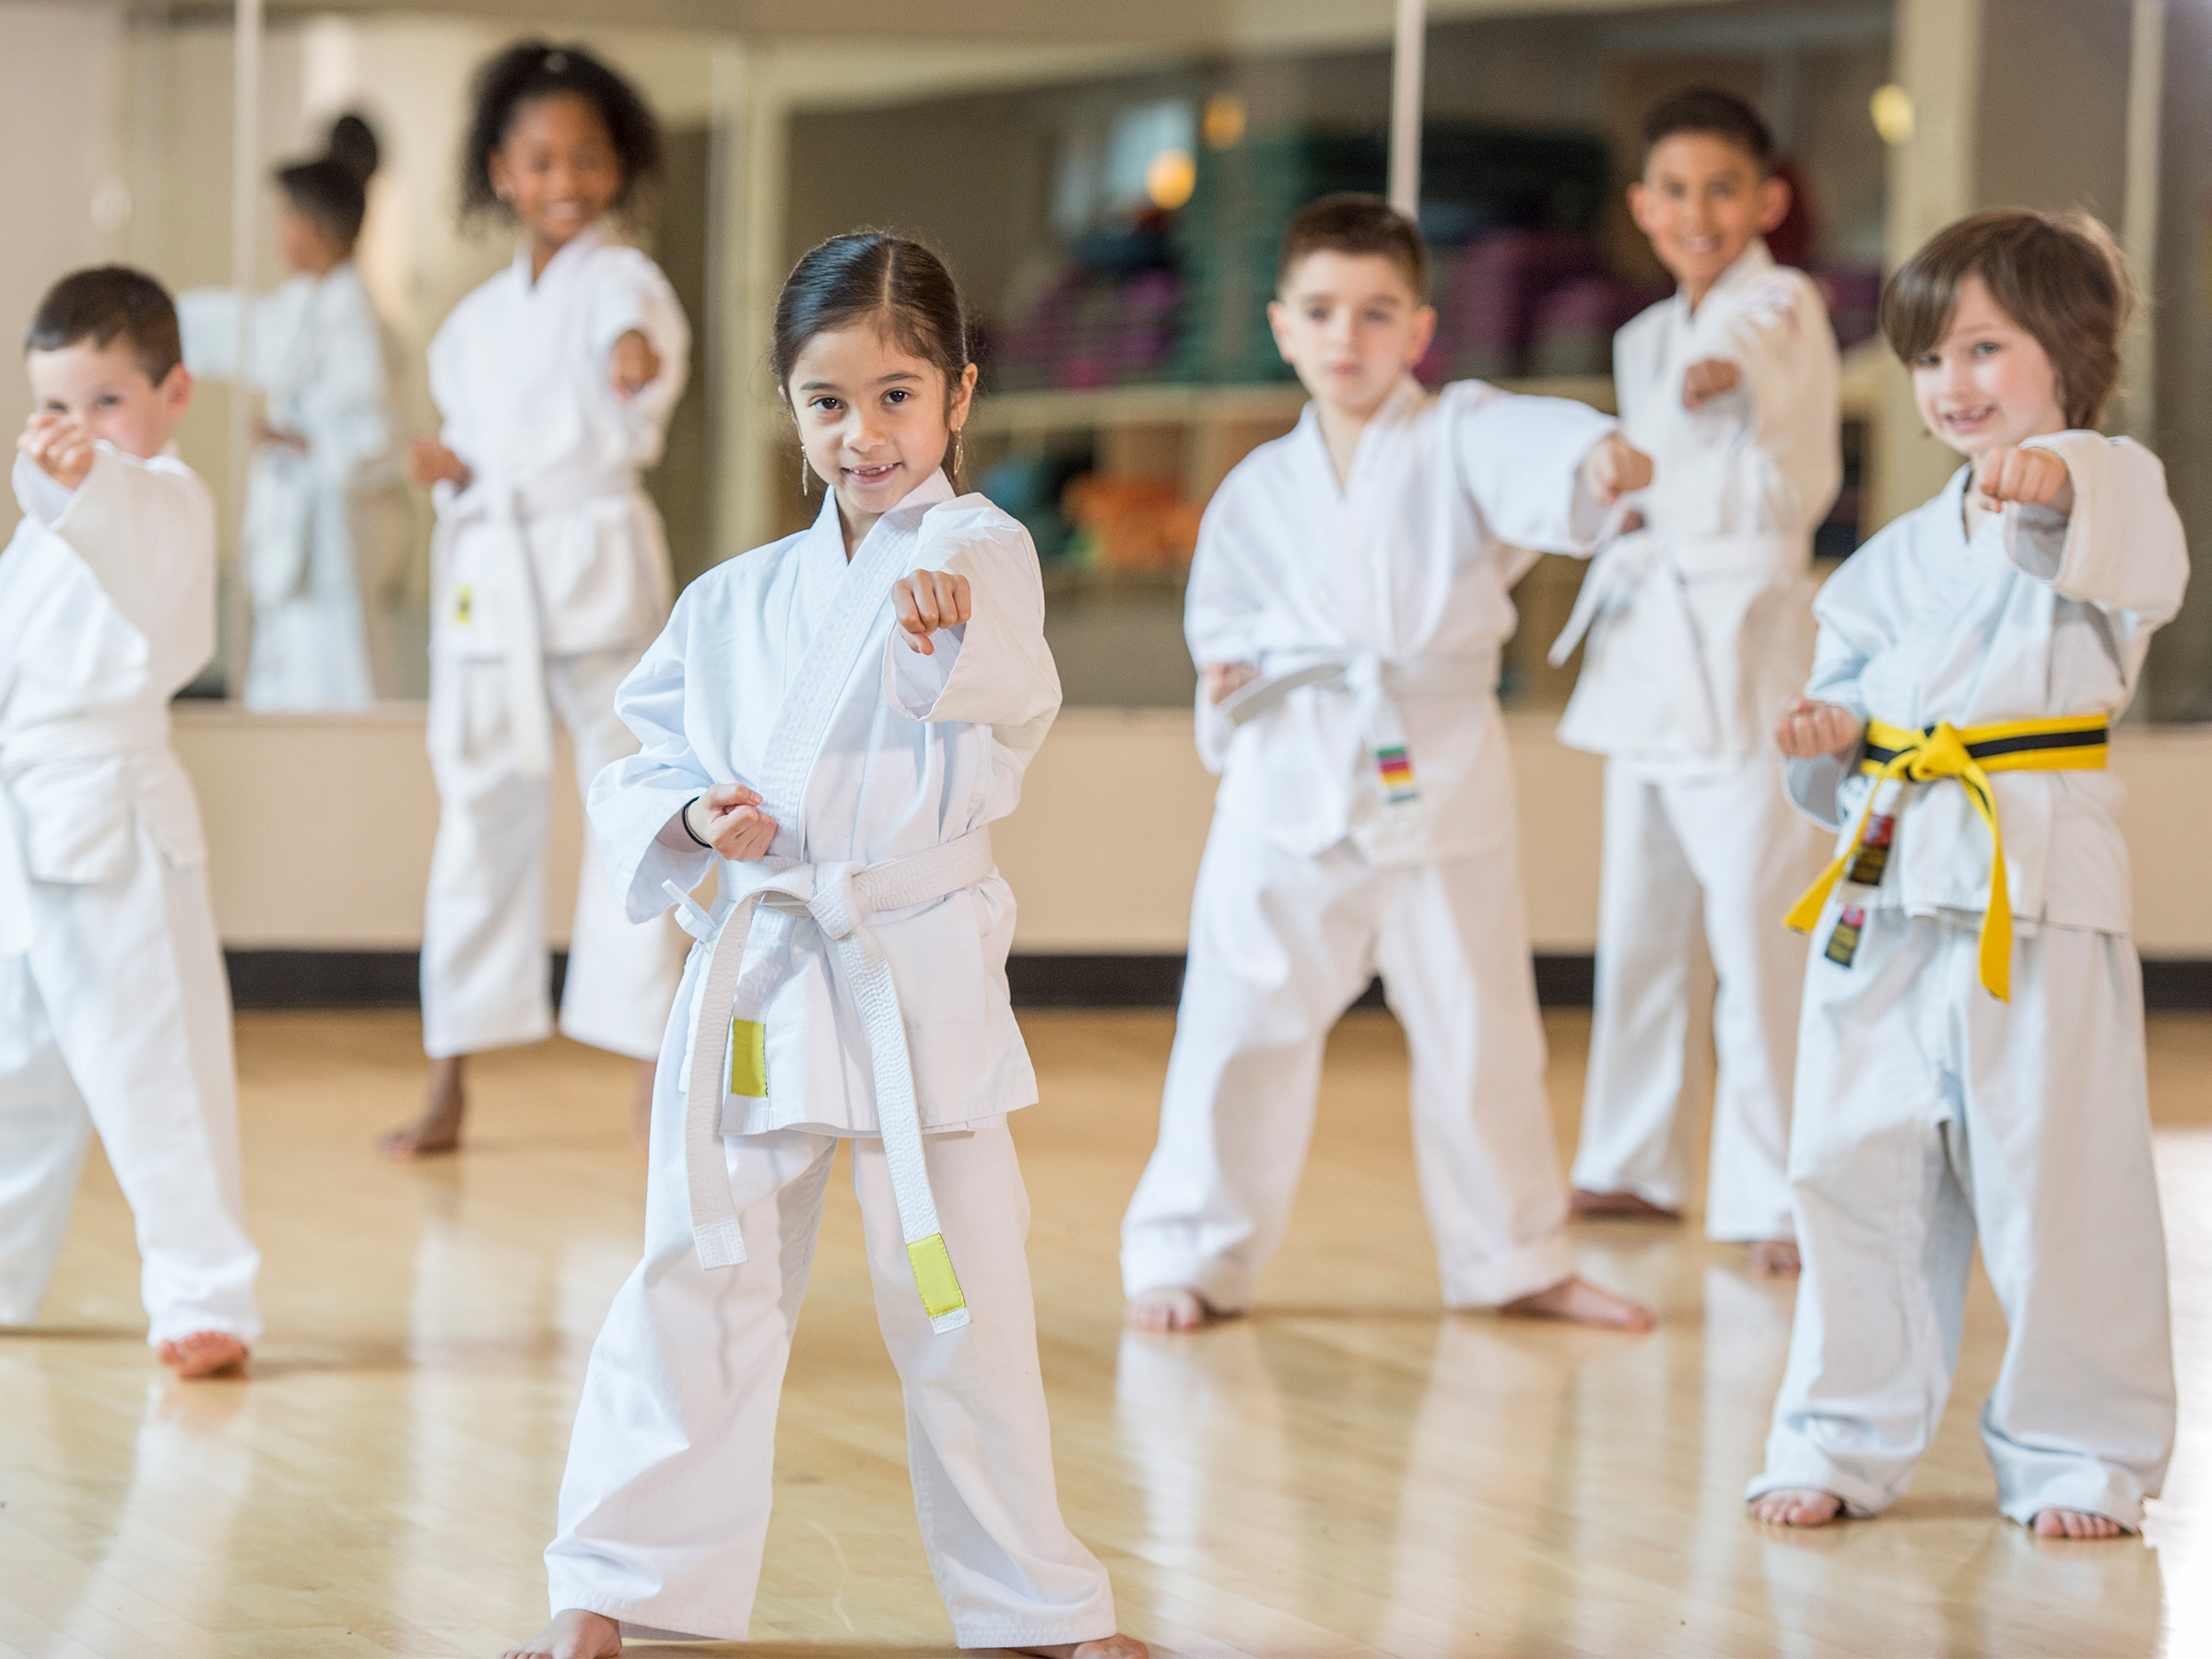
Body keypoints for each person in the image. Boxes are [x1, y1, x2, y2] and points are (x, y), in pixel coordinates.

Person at [501, 232, 1145, 1659]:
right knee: (697, 1272)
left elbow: (992, 669)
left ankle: (1042, 1606)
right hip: (769, 965)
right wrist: (689, 809)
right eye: (828, 402)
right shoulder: (731, 598)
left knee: (960, 1297)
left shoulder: (980, 550)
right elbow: (642, 750)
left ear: (961, 395)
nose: (865, 436)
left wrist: (933, 640)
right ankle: (612, 1581)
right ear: (788, 408)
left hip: (911, 966)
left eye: (899, 397)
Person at [1119, 194, 1656, 1335]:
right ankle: (1191, 1254)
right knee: (1235, 1023)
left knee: (1481, 1025)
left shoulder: (1458, 432)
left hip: (1436, 767)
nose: (1347, 338)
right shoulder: (1259, 486)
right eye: (1321, 311)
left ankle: (1514, 1258)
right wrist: (1228, 675)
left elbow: (1533, 445)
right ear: (1281, 326)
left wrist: (1596, 458)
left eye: (1375, 314)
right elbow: (1222, 621)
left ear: (1419, 329)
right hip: (1288, 777)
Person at [1747, 210, 2183, 1540]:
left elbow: (2135, 563)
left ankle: (2078, 1455)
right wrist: (1822, 742)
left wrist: (2057, 492)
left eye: (1985, 348)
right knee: (1849, 1165)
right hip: (1886, 877)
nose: (1953, 385)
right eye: (1931, 357)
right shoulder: (1884, 564)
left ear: (2073, 352)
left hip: (2031, 879)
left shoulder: (2109, 484)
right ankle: (1835, 1434)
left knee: (2060, 1178)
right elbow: (1839, 708)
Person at [1553, 88, 1840, 1277]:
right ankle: (1630, 1159)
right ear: (1641, 206)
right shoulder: (1640, 335)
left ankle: (1779, 1187)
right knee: (1642, 923)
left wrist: (1718, 378)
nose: (1696, 212)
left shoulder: (1779, 303)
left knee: (1757, 925)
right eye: (1672, 191)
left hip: (1745, 642)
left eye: (1722, 188)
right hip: (1650, 647)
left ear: (1767, 200)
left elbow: (1745, 361)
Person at [382, 43, 686, 1159]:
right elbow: (474, 445)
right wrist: (452, 473)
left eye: (589, 159)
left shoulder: (624, 282)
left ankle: (658, 1067)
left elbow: (637, 342)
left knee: (638, 811)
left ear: (619, 168)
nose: (567, 180)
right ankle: (448, 1076)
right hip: (492, 585)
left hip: (596, 571)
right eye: (543, 159)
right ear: (500, 171)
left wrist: (634, 361)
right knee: (476, 822)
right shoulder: (468, 326)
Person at [0, 266, 261, 1379]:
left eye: (108, 402)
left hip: (113, 823)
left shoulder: (167, 499)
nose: (80, 431)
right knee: (17, 1072)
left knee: (153, 1062)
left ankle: (205, 1295)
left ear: (174, 393)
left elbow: (129, 520)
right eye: (56, 407)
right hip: (27, 816)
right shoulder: (42, 531)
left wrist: (84, 481)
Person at [179, 113, 410, 710]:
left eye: (285, 220)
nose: (279, 234)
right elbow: (248, 332)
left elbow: (376, 434)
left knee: (336, 686)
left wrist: (301, 442)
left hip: (332, 548)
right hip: (301, 546)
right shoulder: (312, 304)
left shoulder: (351, 311)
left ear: (313, 228)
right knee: (289, 684)